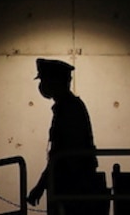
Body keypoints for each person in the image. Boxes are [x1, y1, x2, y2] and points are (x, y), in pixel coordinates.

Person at [27, 58, 101, 215]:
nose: (43, 86)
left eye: (45, 80)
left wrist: (40, 186)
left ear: (55, 81)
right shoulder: (68, 107)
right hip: (73, 186)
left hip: (73, 188)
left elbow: (60, 155)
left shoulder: (68, 110)